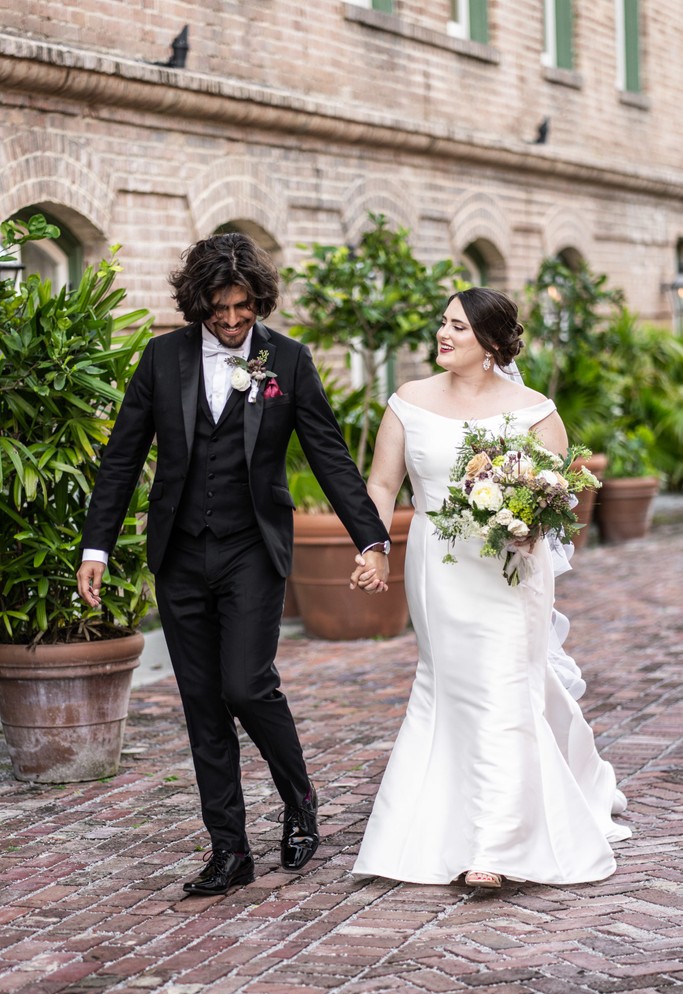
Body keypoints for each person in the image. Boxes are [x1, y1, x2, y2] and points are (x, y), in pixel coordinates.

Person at [76, 232, 390, 896]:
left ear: (259, 300)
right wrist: (96, 546)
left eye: (242, 308)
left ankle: (299, 801)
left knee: (246, 685)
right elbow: (122, 458)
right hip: (181, 553)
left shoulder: (289, 361)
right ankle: (229, 849)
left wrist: (370, 539)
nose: (231, 321)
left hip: (252, 548)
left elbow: (330, 456)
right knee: (201, 703)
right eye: (218, 310)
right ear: (197, 304)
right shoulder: (162, 359)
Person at [350, 287, 631, 889]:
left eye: (457, 327)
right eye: (442, 324)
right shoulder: (409, 400)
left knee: (506, 686)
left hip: (510, 570)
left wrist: (531, 525)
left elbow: (560, 493)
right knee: (449, 686)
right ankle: (434, 827)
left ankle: (499, 846)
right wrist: (374, 547)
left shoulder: (533, 409)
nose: (443, 335)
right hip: (438, 566)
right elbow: (380, 485)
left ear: (492, 344)